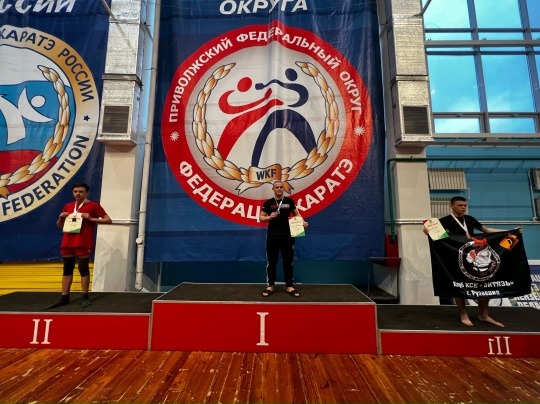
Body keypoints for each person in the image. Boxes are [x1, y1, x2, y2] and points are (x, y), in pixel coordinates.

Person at [424, 196, 522, 327]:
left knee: (483, 284)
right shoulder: (443, 221)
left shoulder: (469, 219)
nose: (463, 207)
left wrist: (511, 232)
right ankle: (463, 314)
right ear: (451, 206)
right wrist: (428, 232)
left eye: (465, 205)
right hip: (456, 258)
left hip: (475, 256)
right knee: (459, 285)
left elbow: (487, 231)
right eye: (460, 205)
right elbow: (438, 239)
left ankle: (484, 315)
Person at [45, 183, 111, 309]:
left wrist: (91, 219)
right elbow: (60, 225)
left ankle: (85, 296)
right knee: (67, 269)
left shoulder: (94, 205)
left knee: (83, 268)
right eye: (75, 191)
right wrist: (60, 218)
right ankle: (64, 297)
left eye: (81, 191)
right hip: (68, 241)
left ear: (87, 193)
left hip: (83, 241)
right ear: (72, 193)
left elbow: (108, 220)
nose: (78, 194)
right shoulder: (68, 205)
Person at [259, 181, 308, 298]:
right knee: (272, 262)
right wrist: (269, 217)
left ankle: (289, 286)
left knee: (288, 262)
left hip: (287, 236)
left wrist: (302, 222)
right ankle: (270, 285)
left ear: (283, 189)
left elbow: (297, 214)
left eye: (281, 187)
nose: (279, 189)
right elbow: (261, 218)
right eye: (277, 187)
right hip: (272, 236)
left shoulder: (289, 201)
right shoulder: (268, 203)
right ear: (273, 189)